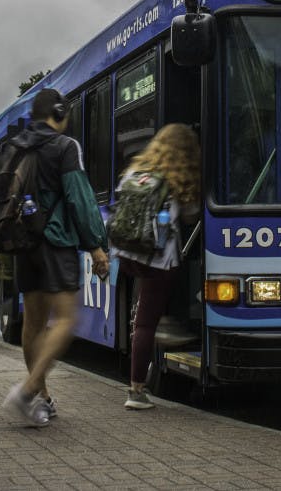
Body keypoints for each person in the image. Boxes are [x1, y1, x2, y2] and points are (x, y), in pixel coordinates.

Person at [2, 88, 109, 427]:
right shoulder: (65, 147)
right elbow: (79, 198)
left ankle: (43, 399)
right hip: (55, 241)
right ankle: (28, 390)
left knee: (32, 324)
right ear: (59, 112)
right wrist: (95, 244)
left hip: (24, 243)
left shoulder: (16, 147)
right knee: (66, 320)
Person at [113, 123, 201, 410]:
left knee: (143, 318)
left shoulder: (134, 172)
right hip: (158, 259)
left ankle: (162, 325)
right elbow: (190, 216)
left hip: (127, 254)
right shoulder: (176, 179)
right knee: (146, 323)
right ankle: (136, 391)